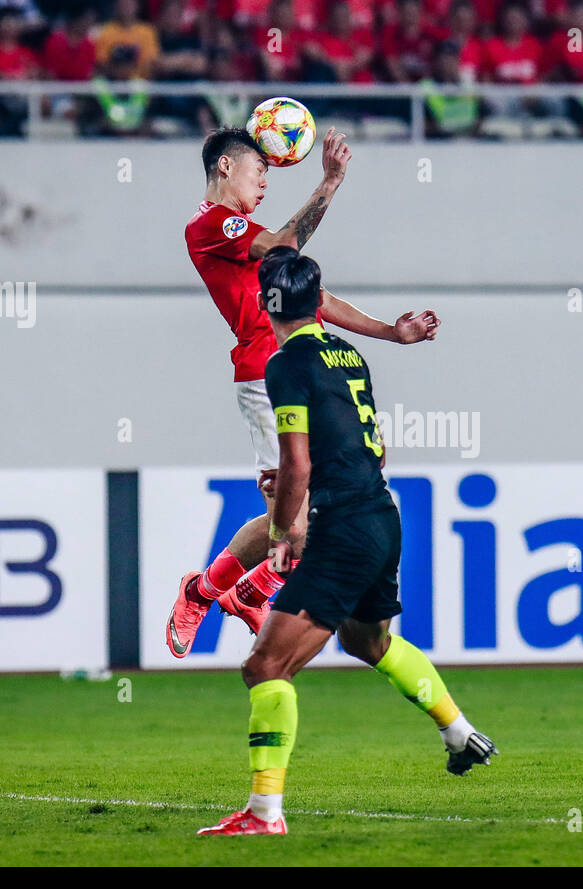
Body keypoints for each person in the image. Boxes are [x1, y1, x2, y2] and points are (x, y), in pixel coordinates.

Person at [198, 248, 498, 836]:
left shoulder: (286, 363)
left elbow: (297, 461)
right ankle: (459, 732)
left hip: (342, 527)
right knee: (370, 640)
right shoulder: (348, 353)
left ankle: (264, 814)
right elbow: (376, 450)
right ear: (318, 302)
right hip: (383, 516)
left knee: (266, 665)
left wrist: (284, 531)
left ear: (267, 302)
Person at [166, 128, 440, 653]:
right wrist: (330, 183)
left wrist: (390, 331)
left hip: (307, 366)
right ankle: (210, 591)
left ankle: (238, 589)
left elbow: (313, 295)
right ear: (225, 167)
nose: (266, 183)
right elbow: (287, 243)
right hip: (264, 372)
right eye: (260, 172)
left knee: (305, 515)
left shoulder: (252, 234)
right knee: (298, 527)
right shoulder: (210, 225)